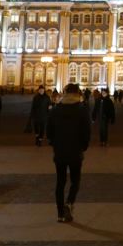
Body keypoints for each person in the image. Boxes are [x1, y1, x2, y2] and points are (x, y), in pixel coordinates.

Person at [49, 83, 92, 222]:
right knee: (75, 181)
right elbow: (87, 131)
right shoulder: (82, 109)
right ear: (78, 93)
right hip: (75, 151)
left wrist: (54, 144)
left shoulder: (56, 109)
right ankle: (69, 202)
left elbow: (48, 130)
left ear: (64, 93)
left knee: (60, 182)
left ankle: (60, 214)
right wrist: (83, 146)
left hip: (60, 151)